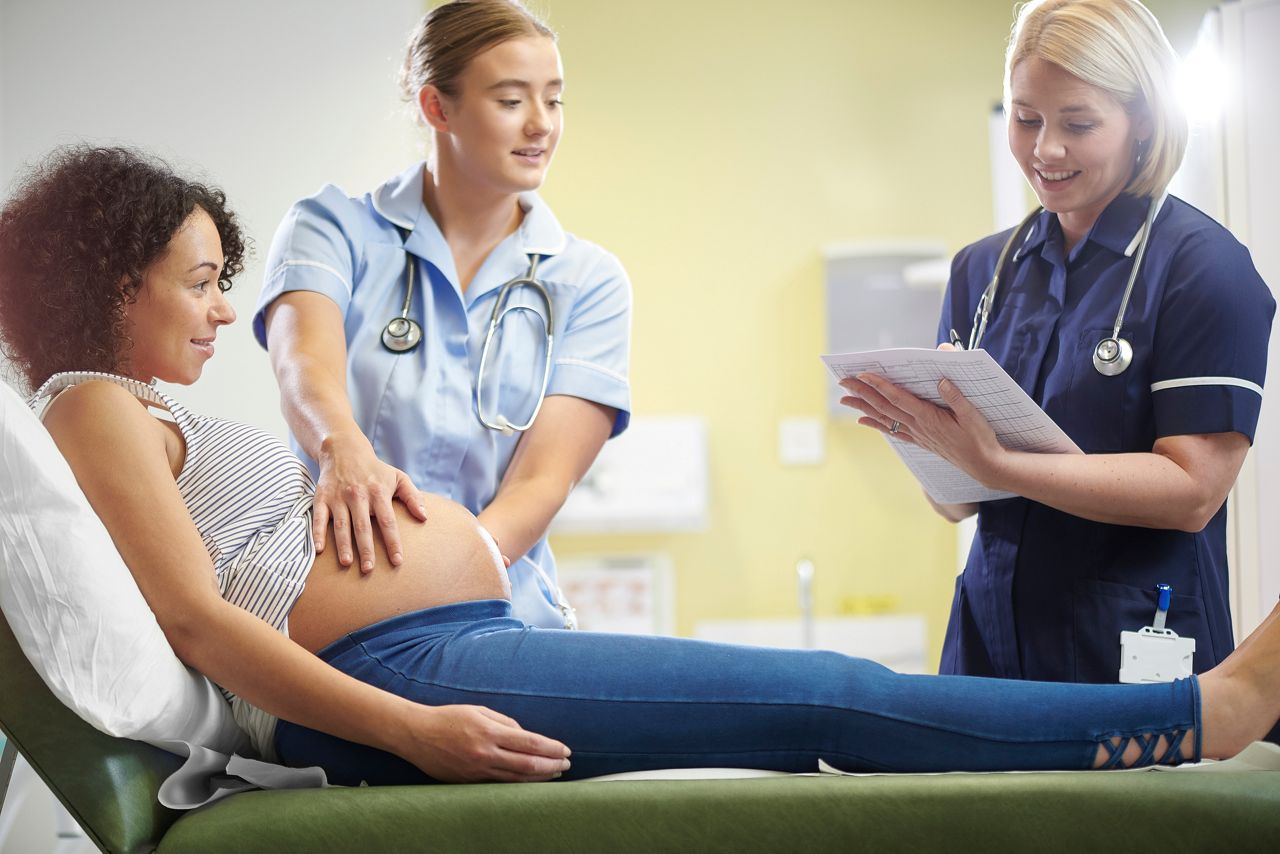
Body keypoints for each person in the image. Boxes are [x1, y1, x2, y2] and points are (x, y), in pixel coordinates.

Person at [3, 147, 1280, 787]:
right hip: (397, 671)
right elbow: (195, 618)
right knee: (824, 697)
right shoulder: (84, 406)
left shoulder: (119, 409)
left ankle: (1178, 717)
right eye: (200, 280)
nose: (222, 309)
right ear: (108, 281)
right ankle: (1191, 718)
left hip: (435, 638)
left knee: (820, 700)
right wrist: (415, 730)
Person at [841, 0, 1275, 684]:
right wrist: (924, 434)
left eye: (1078, 124)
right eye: (1025, 118)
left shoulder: (1203, 268)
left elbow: (1194, 491)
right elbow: (956, 504)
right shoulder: (981, 271)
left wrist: (994, 461)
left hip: (1130, 651)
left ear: (1144, 122)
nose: (1045, 149)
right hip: (990, 649)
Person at [253, 0, 630, 630]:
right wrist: (341, 448)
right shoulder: (331, 228)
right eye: (511, 101)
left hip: (498, 603)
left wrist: (441, 583)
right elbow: (304, 367)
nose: (541, 125)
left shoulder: (588, 281)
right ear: (438, 107)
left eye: (554, 100)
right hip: (333, 596)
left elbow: (541, 482)